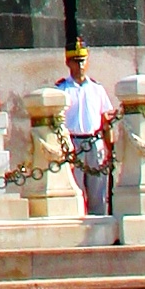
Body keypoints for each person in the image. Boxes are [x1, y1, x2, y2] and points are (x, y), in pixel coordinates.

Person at [59, 41, 117, 214]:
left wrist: (110, 148)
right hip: (73, 143)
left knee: (97, 191)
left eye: (83, 60)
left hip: (94, 142)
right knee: (74, 191)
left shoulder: (97, 89)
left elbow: (105, 119)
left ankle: (99, 226)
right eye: (76, 61)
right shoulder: (62, 89)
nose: (80, 65)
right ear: (68, 63)